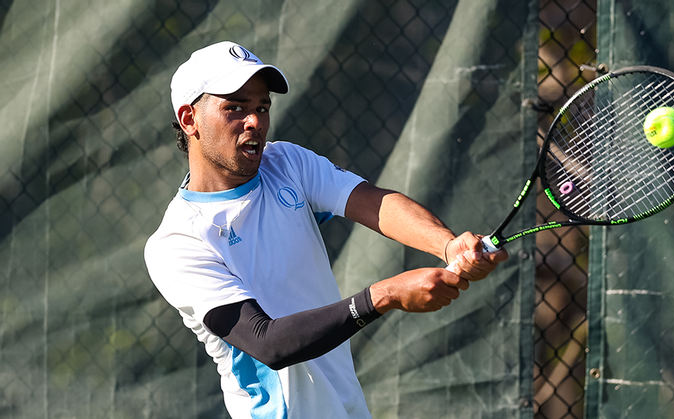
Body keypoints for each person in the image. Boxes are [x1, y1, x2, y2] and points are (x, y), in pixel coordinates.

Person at [144, 41, 507, 419]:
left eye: (262, 107)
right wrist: (385, 295)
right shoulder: (176, 244)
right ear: (189, 119)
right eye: (234, 107)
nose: (255, 122)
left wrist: (449, 246)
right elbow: (268, 343)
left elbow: (373, 202)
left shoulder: (287, 163)